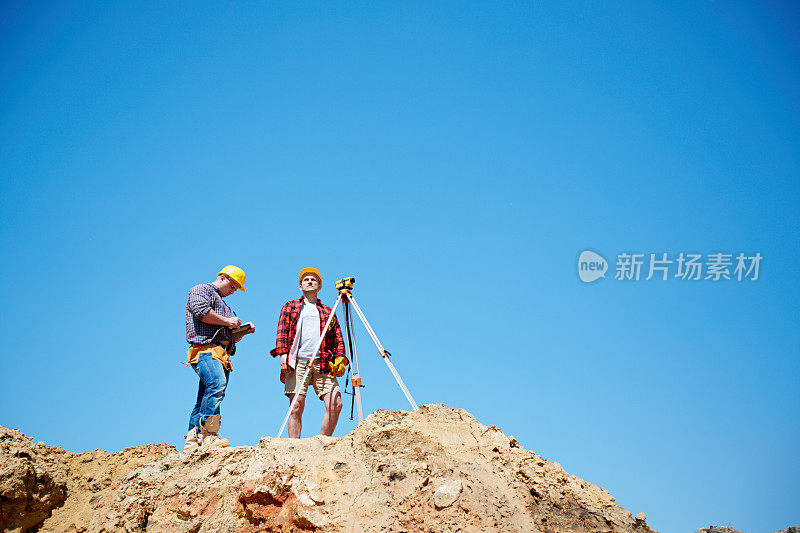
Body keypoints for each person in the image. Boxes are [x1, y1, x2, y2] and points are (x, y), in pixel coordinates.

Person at [270, 268, 348, 438]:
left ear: (319, 286)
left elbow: (337, 337)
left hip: (324, 363)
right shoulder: (291, 306)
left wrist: (340, 358)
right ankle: (294, 446)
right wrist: (283, 354)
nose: (310, 281)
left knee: (336, 404)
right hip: (297, 362)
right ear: (300, 286)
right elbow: (282, 331)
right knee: (296, 405)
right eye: (306, 280)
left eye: (314, 279)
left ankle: (322, 442)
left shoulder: (328, 310)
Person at [184, 265, 254, 450]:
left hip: (220, 353)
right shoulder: (201, 289)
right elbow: (200, 312)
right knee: (216, 385)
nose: (232, 292)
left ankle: (193, 438)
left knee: (205, 396)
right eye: (232, 286)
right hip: (205, 350)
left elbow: (228, 335)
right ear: (223, 278)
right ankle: (209, 434)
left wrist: (243, 331)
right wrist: (227, 321)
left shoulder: (224, 305)